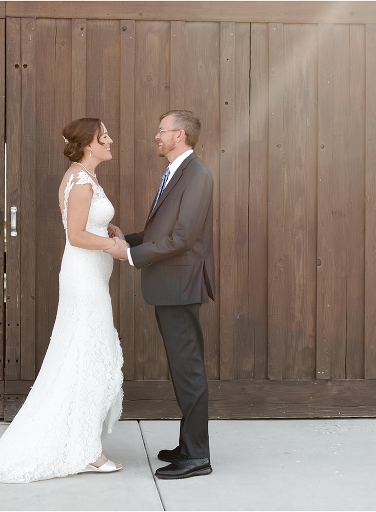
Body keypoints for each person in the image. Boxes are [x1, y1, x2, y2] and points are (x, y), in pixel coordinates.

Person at [0, 118, 125, 483]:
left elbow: (86, 225)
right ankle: (88, 451)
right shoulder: (82, 180)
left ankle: (84, 442)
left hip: (88, 276)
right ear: (90, 144)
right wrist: (112, 246)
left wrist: (107, 229)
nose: (111, 140)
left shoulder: (81, 174)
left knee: (82, 354)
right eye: (105, 137)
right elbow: (75, 235)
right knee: (88, 355)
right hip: (84, 280)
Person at [106, 110, 215, 480]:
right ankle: (188, 445)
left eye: (162, 131)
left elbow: (183, 238)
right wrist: (129, 238)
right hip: (169, 287)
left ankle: (198, 456)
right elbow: (163, 230)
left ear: (180, 135)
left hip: (181, 288)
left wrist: (131, 255)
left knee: (189, 370)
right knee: (182, 369)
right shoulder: (176, 173)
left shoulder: (197, 175)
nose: (157, 136)